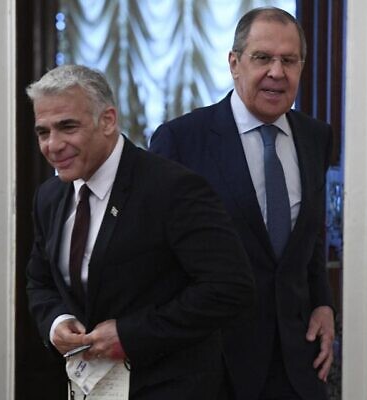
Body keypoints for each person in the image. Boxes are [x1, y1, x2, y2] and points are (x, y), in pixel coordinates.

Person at [25, 64, 255, 399]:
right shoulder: (49, 197)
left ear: (108, 120)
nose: (53, 145)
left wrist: (131, 335)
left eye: (67, 127)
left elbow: (230, 289)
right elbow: (40, 281)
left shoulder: (174, 189)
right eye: (43, 132)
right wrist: (56, 322)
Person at [150, 7, 335, 400]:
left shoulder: (316, 137)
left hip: (297, 362)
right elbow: (157, 258)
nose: (276, 72)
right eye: (262, 58)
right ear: (234, 63)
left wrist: (323, 304)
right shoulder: (182, 140)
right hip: (213, 365)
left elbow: (311, 236)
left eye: (289, 60)